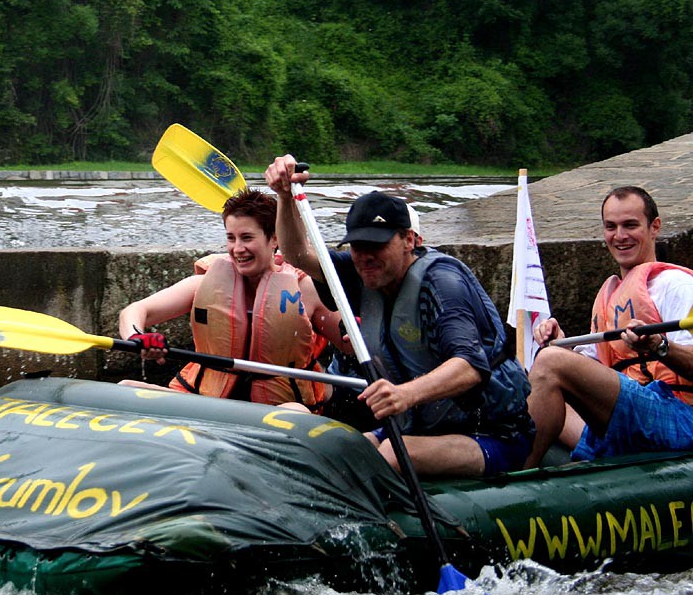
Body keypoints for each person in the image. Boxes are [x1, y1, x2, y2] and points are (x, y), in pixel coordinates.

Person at [265, 156, 533, 478]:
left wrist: (404, 394)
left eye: (376, 245)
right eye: (357, 245)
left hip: (490, 435)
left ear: (408, 240)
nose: (365, 256)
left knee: (393, 453)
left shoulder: (442, 283)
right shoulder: (359, 274)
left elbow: (470, 366)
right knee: (332, 453)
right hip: (418, 429)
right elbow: (298, 255)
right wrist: (284, 196)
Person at [118, 187, 351, 410]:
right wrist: (137, 337)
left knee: (294, 412)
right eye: (231, 238)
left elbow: (349, 343)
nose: (238, 248)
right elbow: (135, 311)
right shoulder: (203, 284)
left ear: (274, 239)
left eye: (247, 238)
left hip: (279, 408)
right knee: (126, 388)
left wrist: (355, 328)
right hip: (207, 402)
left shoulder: (304, 290)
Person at [524, 186, 693, 467]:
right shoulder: (609, 299)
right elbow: (591, 372)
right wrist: (559, 343)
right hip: (635, 415)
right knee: (541, 373)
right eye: (611, 227)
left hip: (680, 416)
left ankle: (517, 478)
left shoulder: (677, 286)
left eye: (630, 225)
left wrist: (660, 346)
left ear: (655, 227)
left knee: (552, 363)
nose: (620, 236)